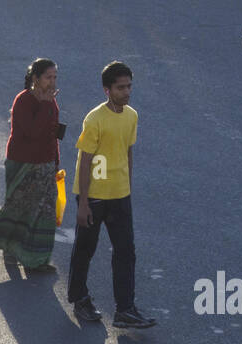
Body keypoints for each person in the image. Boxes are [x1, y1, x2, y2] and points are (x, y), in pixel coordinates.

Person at [66, 61, 155, 330]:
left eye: (129, 86)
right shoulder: (94, 119)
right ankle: (79, 298)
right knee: (85, 250)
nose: (126, 92)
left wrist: (127, 183)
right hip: (93, 197)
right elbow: (85, 160)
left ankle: (125, 309)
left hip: (120, 196)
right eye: (120, 87)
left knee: (126, 251)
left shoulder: (131, 116)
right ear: (107, 90)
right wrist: (83, 203)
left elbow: (128, 151)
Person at [0, 58, 61, 272]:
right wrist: (45, 105)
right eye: (48, 77)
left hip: (45, 165)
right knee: (19, 209)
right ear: (35, 79)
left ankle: (36, 260)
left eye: (54, 77)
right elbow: (32, 132)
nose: (52, 82)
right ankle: (10, 249)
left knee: (44, 213)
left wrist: (55, 162)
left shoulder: (50, 100)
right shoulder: (24, 100)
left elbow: (53, 132)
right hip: (23, 163)